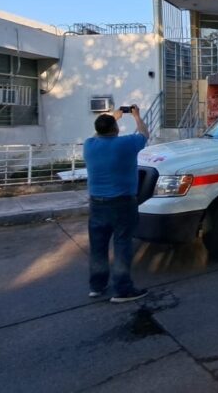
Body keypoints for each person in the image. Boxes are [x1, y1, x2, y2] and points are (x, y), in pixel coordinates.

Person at [83, 105, 149, 303]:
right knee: (122, 245)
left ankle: (97, 285)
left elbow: (99, 132)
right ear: (116, 129)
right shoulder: (127, 144)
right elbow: (145, 133)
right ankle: (123, 289)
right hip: (122, 203)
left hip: (96, 204)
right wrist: (136, 116)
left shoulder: (89, 144)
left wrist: (113, 117)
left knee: (98, 246)